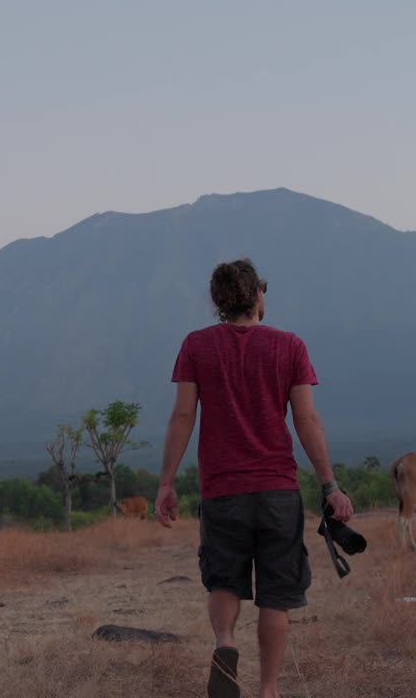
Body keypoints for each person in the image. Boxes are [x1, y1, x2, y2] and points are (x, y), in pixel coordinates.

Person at [154, 258, 353, 698]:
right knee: (276, 595)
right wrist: (329, 484)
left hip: (223, 490)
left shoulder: (197, 345)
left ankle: (225, 641)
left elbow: (183, 415)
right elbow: (307, 421)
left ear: (218, 303)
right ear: (258, 296)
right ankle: (268, 690)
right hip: (278, 491)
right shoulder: (290, 346)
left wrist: (166, 482)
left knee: (224, 580)